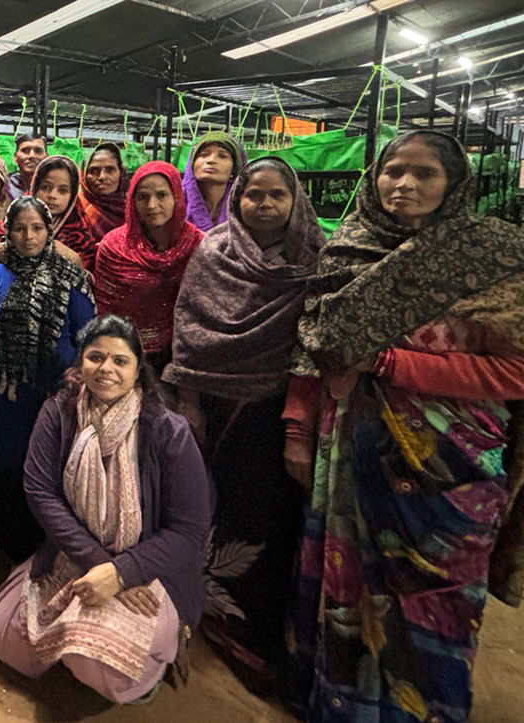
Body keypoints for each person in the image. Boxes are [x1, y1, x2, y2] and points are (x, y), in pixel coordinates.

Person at [285, 130, 524, 722]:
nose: (406, 185)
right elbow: (313, 347)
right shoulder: (349, 248)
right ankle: (345, 705)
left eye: (425, 174)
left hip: (452, 466)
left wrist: (394, 363)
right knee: (352, 587)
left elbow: (516, 370)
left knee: (433, 595)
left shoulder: (491, 254)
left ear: (454, 184)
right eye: (394, 170)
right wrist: (297, 427)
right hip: (354, 452)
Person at [160, 157, 324, 691]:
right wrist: (188, 402)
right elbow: (190, 329)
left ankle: (262, 634)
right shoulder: (215, 252)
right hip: (218, 410)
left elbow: (316, 343)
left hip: (281, 413)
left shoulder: (316, 259)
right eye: (255, 194)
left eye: (278, 195)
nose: (266, 204)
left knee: (273, 523)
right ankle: (214, 616)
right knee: (216, 511)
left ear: (295, 199)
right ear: (238, 197)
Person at [0, 315, 210, 705]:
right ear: (80, 363)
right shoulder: (59, 413)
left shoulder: (167, 431)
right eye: (95, 357)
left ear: (138, 369)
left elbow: (189, 531)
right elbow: (40, 491)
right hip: (74, 554)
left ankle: (160, 653)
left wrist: (123, 572)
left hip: (150, 571)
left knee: (92, 661)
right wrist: (97, 562)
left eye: (120, 361)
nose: (106, 369)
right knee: (6, 641)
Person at [0, 196, 95, 563]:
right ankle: (12, 551)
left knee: (50, 474)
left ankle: (46, 553)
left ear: (49, 230)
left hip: (54, 399)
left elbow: (86, 338)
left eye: (37, 228)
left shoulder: (71, 277)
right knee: (3, 474)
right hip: (1, 400)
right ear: (8, 233)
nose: (29, 236)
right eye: (19, 228)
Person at [92, 161, 204, 370]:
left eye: (162, 195)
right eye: (142, 197)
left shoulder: (198, 245)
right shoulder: (114, 246)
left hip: (186, 354)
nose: (152, 205)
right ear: (132, 201)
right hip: (123, 352)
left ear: (177, 197)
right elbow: (105, 309)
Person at [182, 131, 246, 232]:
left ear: (234, 168)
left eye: (222, 156)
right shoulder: (175, 205)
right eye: (204, 155)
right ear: (192, 164)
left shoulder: (242, 210)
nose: (211, 160)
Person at [75, 143, 129, 240]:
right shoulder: (74, 208)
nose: (102, 177)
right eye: (94, 171)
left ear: (121, 173)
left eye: (110, 170)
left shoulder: (133, 211)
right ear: (84, 175)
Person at [7, 133, 48, 199]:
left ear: (46, 157)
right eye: (25, 151)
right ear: (15, 157)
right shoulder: (5, 187)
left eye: (38, 151)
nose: (31, 156)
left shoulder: (54, 186)